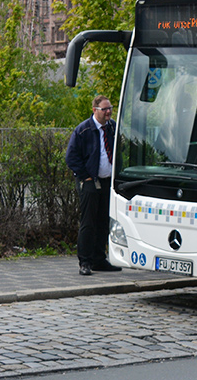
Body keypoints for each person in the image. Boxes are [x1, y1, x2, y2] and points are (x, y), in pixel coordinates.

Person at [66, 95, 123, 275]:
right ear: (94, 110)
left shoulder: (112, 127)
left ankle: (99, 259)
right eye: (104, 109)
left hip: (108, 181)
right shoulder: (83, 130)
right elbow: (71, 157)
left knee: (103, 221)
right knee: (88, 222)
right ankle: (85, 261)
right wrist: (86, 177)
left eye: (110, 108)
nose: (108, 112)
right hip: (90, 181)